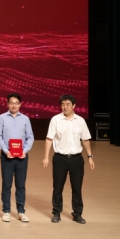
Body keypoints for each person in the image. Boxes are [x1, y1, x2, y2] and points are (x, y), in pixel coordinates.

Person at [42, 94, 94, 224]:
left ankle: (77, 214)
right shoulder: (55, 120)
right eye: (63, 104)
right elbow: (49, 139)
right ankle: (56, 213)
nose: (65, 107)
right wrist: (46, 157)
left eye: (68, 104)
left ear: (74, 106)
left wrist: (90, 156)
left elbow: (85, 139)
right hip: (60, 158)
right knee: (57, 187)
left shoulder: (80, 121)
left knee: (77, 188)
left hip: (77, 159)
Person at [0, 92, 35, 223]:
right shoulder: (1, 118)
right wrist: (6, 151)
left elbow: (30, 137)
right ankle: (6, 211)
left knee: (21, 185)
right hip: (7, 156)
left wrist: (25, 150)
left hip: (22, 156)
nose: (14, 105)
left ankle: (21, 212)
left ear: (20, 104)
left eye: (16, 103)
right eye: (11, 103)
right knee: (7, 184)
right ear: (7, 104)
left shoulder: (25, 119)